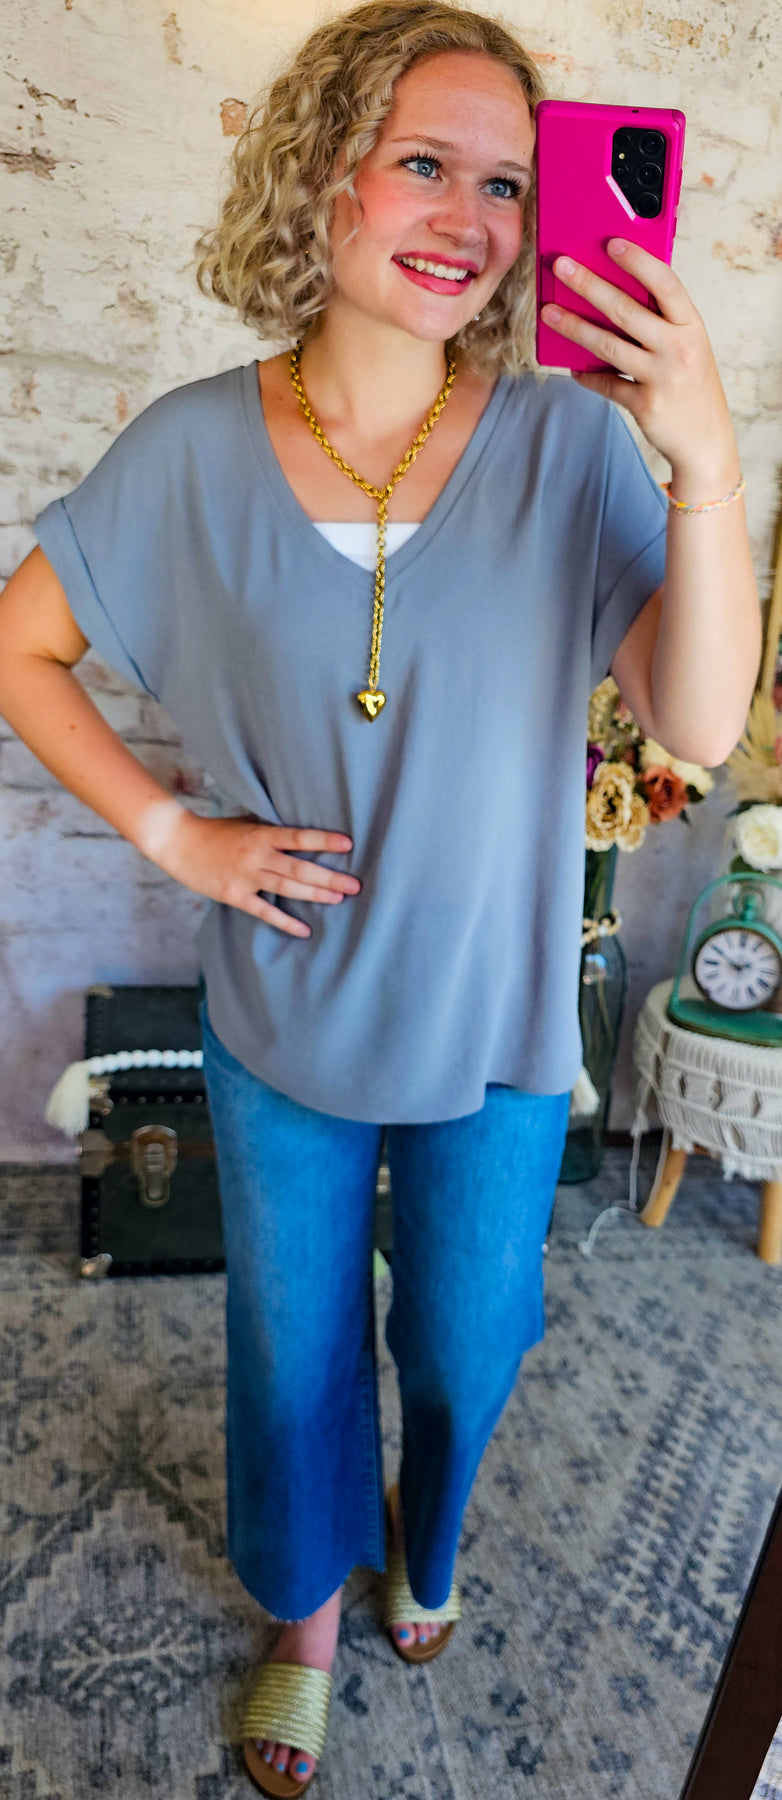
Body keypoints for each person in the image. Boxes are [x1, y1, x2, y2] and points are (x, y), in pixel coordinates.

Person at [0, 0, 760, 1793]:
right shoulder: (190, 448)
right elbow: (21, 647)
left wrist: (704, 462)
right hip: (283, 1010)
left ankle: (429, 1536)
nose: (469, 218)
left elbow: (699, 722)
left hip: (496, 1022)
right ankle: (304, 1613)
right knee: (292, 1351)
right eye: (424, 161)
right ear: (323, 173)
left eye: (506, 185)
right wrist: (176, 838)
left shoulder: (570, 449)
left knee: (469, 1342)